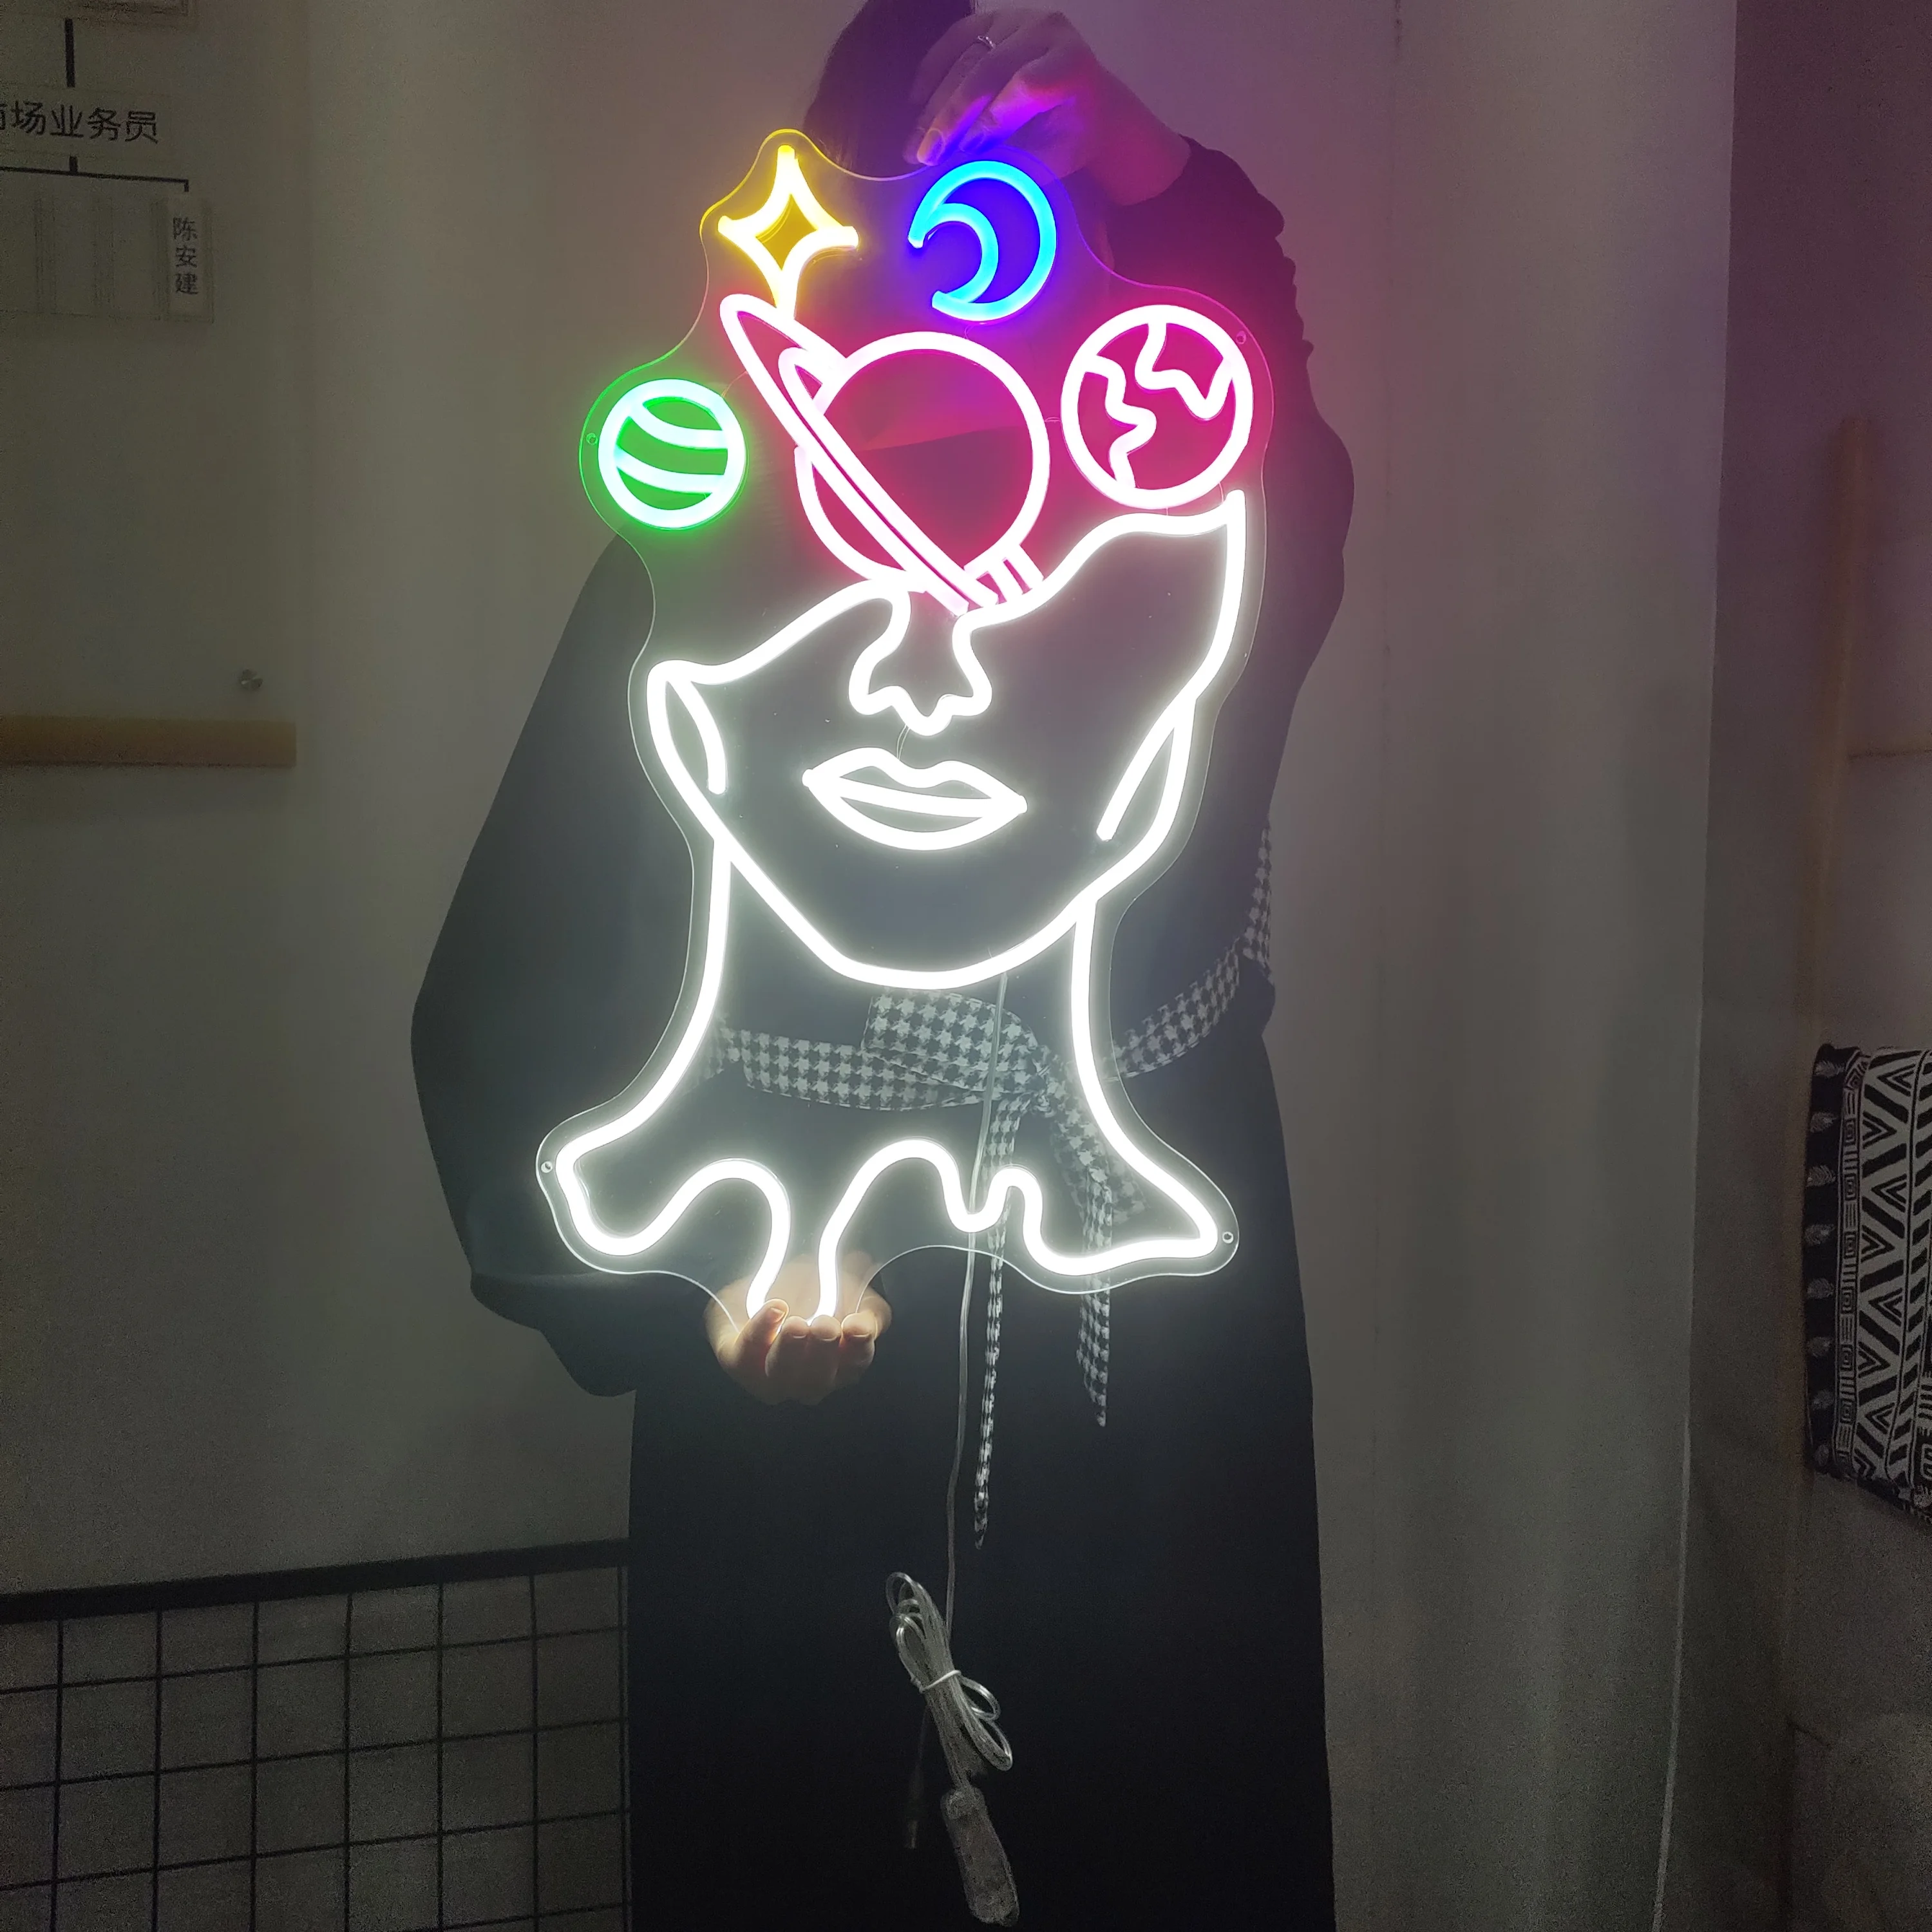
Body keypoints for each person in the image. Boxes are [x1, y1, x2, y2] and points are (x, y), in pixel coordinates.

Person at [413, 4, 1352, 1925]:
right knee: (806, 1833)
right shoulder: (688, 591)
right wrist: (682, 1302)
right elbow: (506, 990)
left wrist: (1143, 157)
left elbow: (1273, 422)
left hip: (1141, 1398)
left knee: (1151, 1815)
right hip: (794, 1386)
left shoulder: (1197, 554)